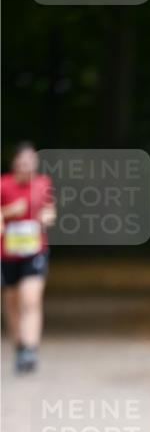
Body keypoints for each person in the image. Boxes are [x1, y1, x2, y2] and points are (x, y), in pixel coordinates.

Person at [1, 142, 56, 373]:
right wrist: (9, 212)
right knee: (12, 301)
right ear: (14, 163)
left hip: (35, 250)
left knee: (30, 299)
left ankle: (30, 349)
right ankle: (20, 345)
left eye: (30, 162)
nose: (26, 167)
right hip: (8, 252)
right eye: (22, 163)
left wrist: (48, 217)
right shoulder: (3, 185)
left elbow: (51, 210)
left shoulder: (43, 184)